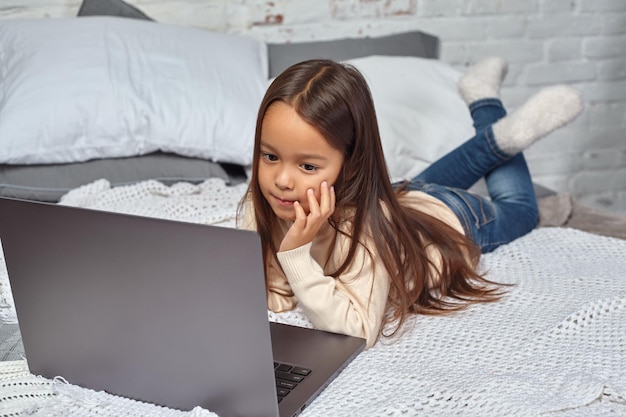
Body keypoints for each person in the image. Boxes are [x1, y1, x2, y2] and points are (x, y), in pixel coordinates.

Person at [238, 57, 583, 348]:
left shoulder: (362, 231)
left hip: (452, 219)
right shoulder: (267, 197)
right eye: (270, 156)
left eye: (307, 166)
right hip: (402, 194)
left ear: (351, 163)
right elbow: (275, 293)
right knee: (429, 183)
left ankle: (490, 110)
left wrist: (296, 254)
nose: (282, 180)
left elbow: (360, 329)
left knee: (522, 209)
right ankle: (493, 131)